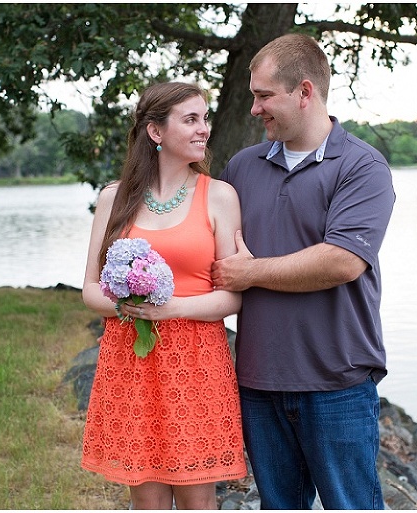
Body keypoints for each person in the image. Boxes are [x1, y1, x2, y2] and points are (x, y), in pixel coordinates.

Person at [211, 34, 396, 510]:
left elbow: (342, 260)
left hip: (336, 381)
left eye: (263, 95)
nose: (255, 108)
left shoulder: (362, 166)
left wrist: (251, 273)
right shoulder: (242, 167)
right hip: (258, 380)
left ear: (305, 92)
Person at [80, 82, 247, 510]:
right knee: (146, 499)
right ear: (156, 132)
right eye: (191, 119)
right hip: (131, 359)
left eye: (205, 118)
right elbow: (91, 291)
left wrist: (172, 308)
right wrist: (127, 305)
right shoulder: (113, 199)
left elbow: (231, 298)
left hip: (196, 361)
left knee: (198, 499)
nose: (204, 129)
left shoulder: (220, 196)